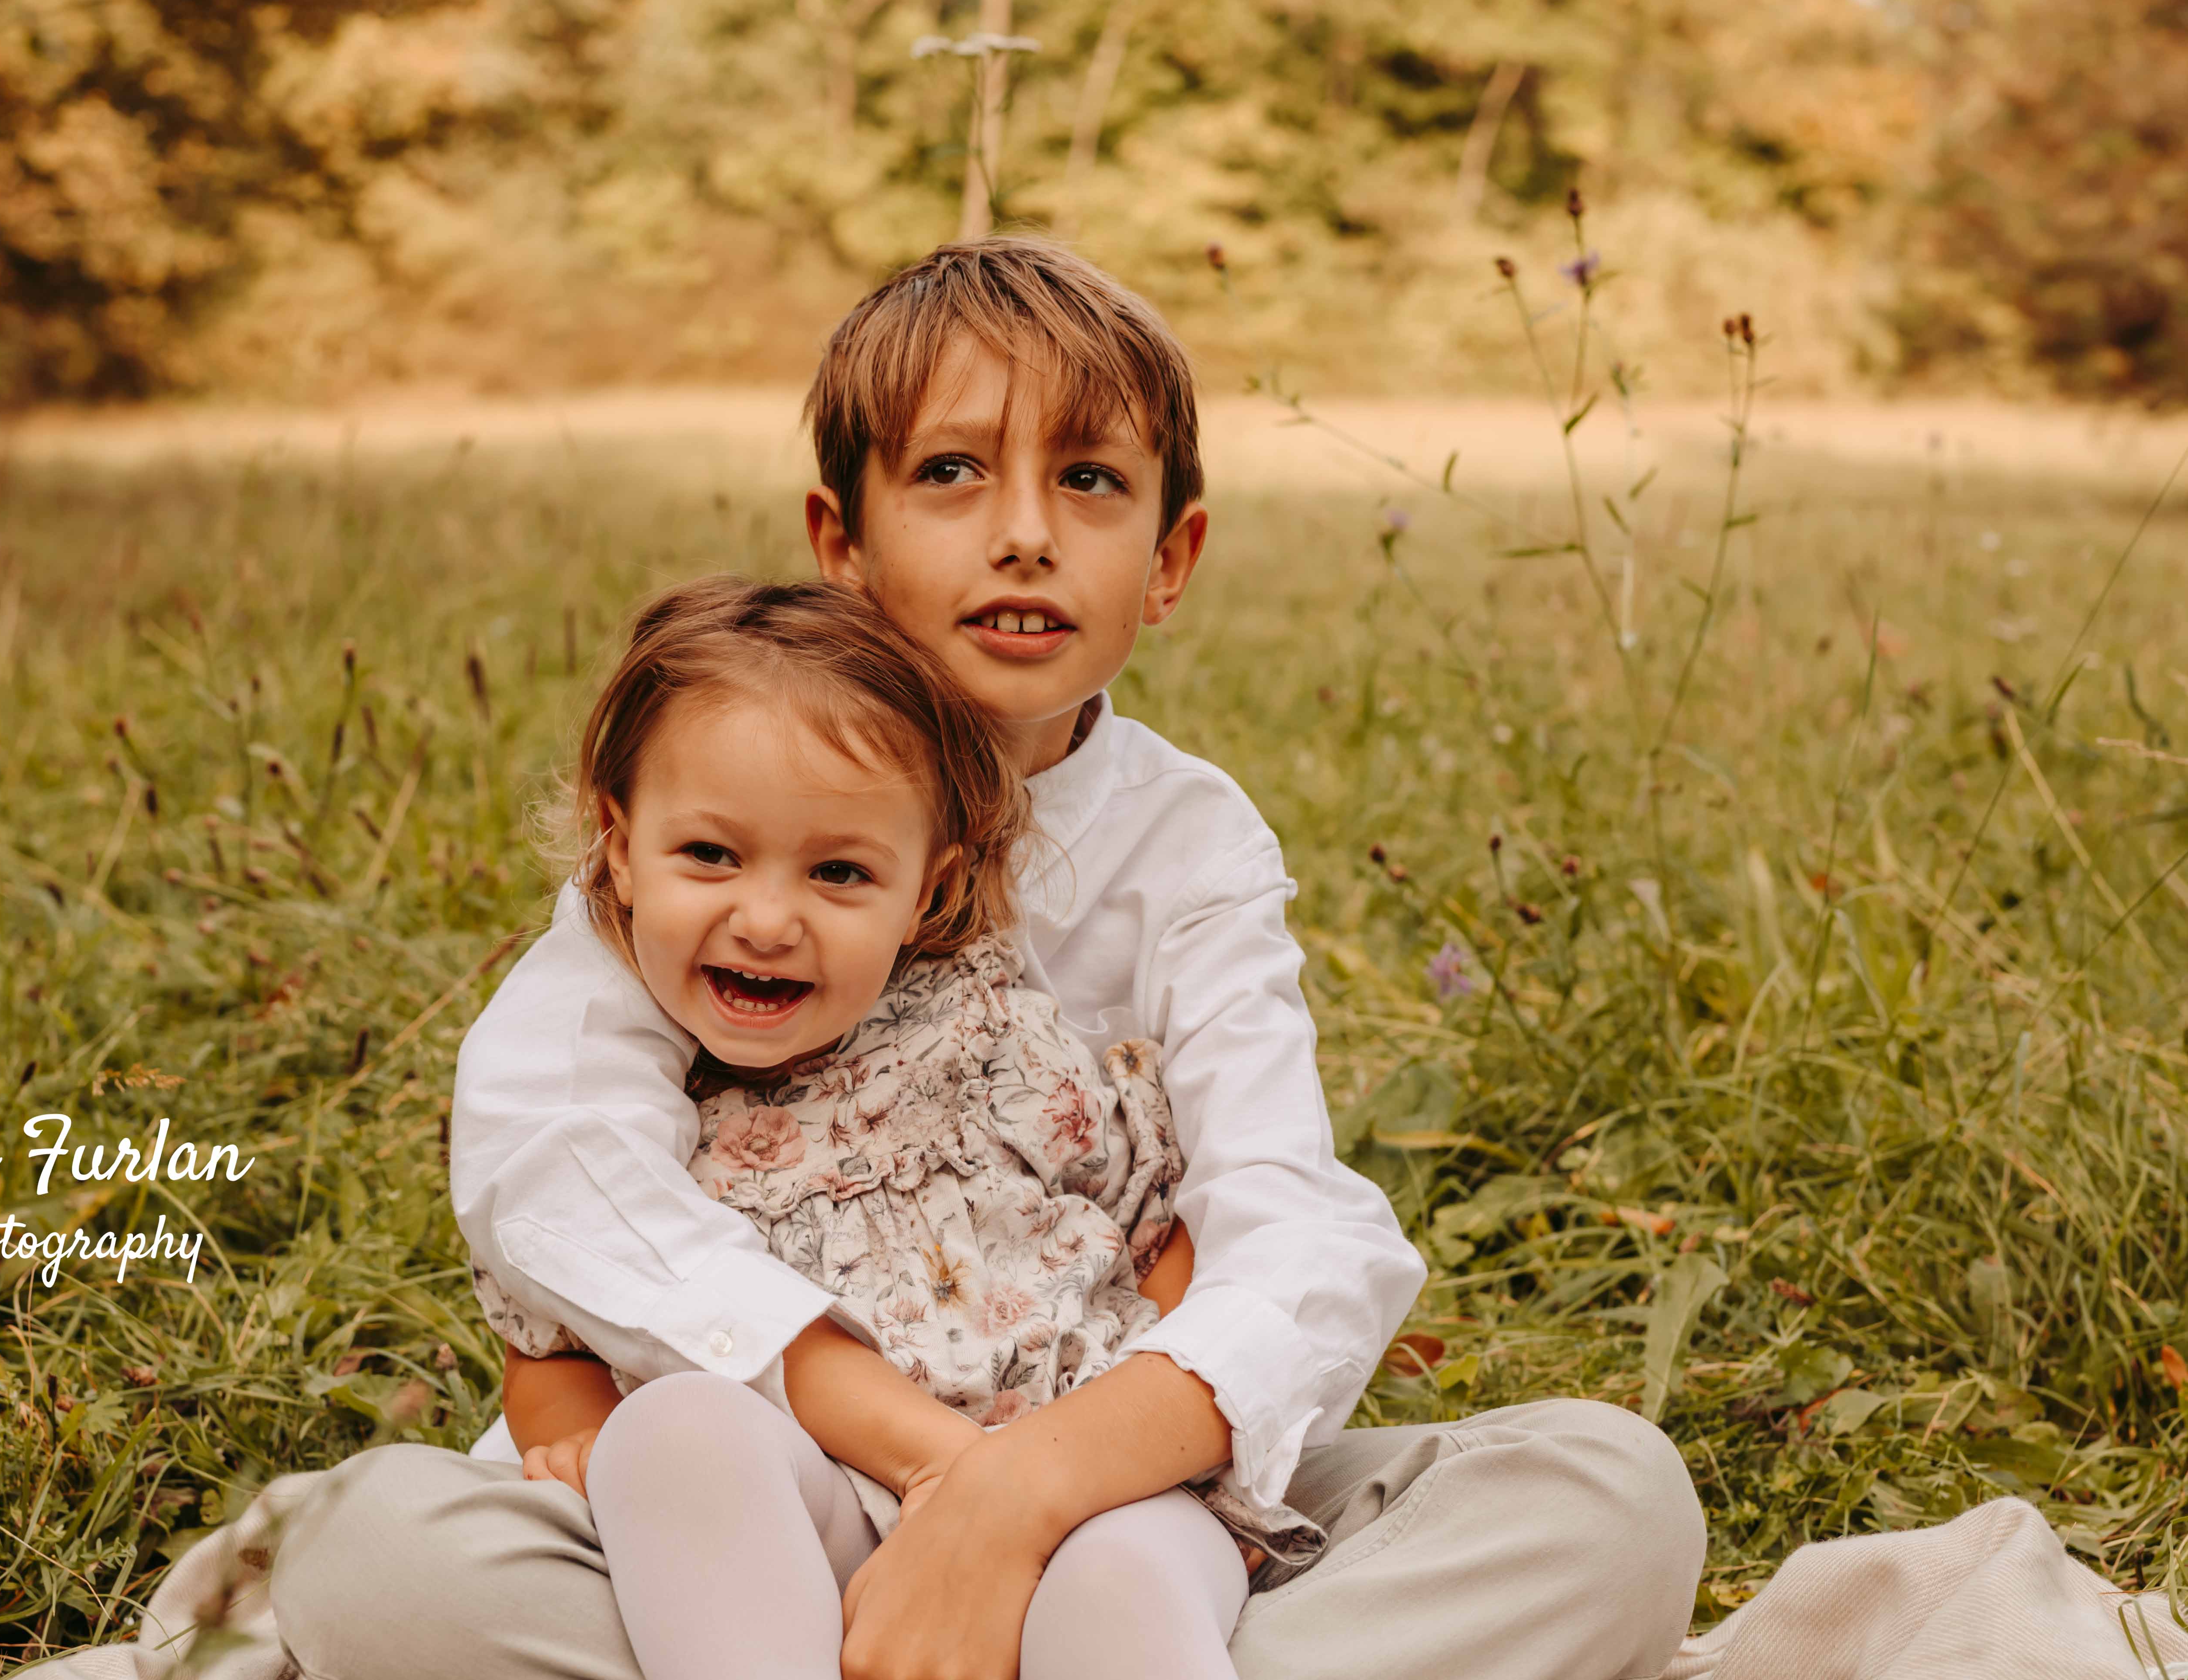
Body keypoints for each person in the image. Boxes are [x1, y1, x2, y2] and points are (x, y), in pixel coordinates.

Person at [270, 239, 1706, 1680]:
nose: (1024, 533)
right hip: (765, 1490)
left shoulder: (1189, 842)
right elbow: (563, 1161)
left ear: (1171, 558)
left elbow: (1287, 1220)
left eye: (1089, 480)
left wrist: (1016, 1499)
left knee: (1608, 1495)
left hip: (1116, 1492)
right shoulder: (721, 802)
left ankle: (1037, 1637)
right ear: (843, 541)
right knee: (378, 1561)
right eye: (953, 473)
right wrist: (925, 1465)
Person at [479, 573, 1312, 1680]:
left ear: (926, 891)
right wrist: (580, 1434)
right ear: (617, 847)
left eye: (837, 873)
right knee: (673, 1433)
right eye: (711, 856)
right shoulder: (631, 1112)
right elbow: (554, 1333)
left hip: (1076, 1505)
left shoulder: (988, 1042)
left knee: (1120, 1592)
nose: (767, 920)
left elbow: (1160, 1220)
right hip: (814, 1513)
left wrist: (1126, 1444)